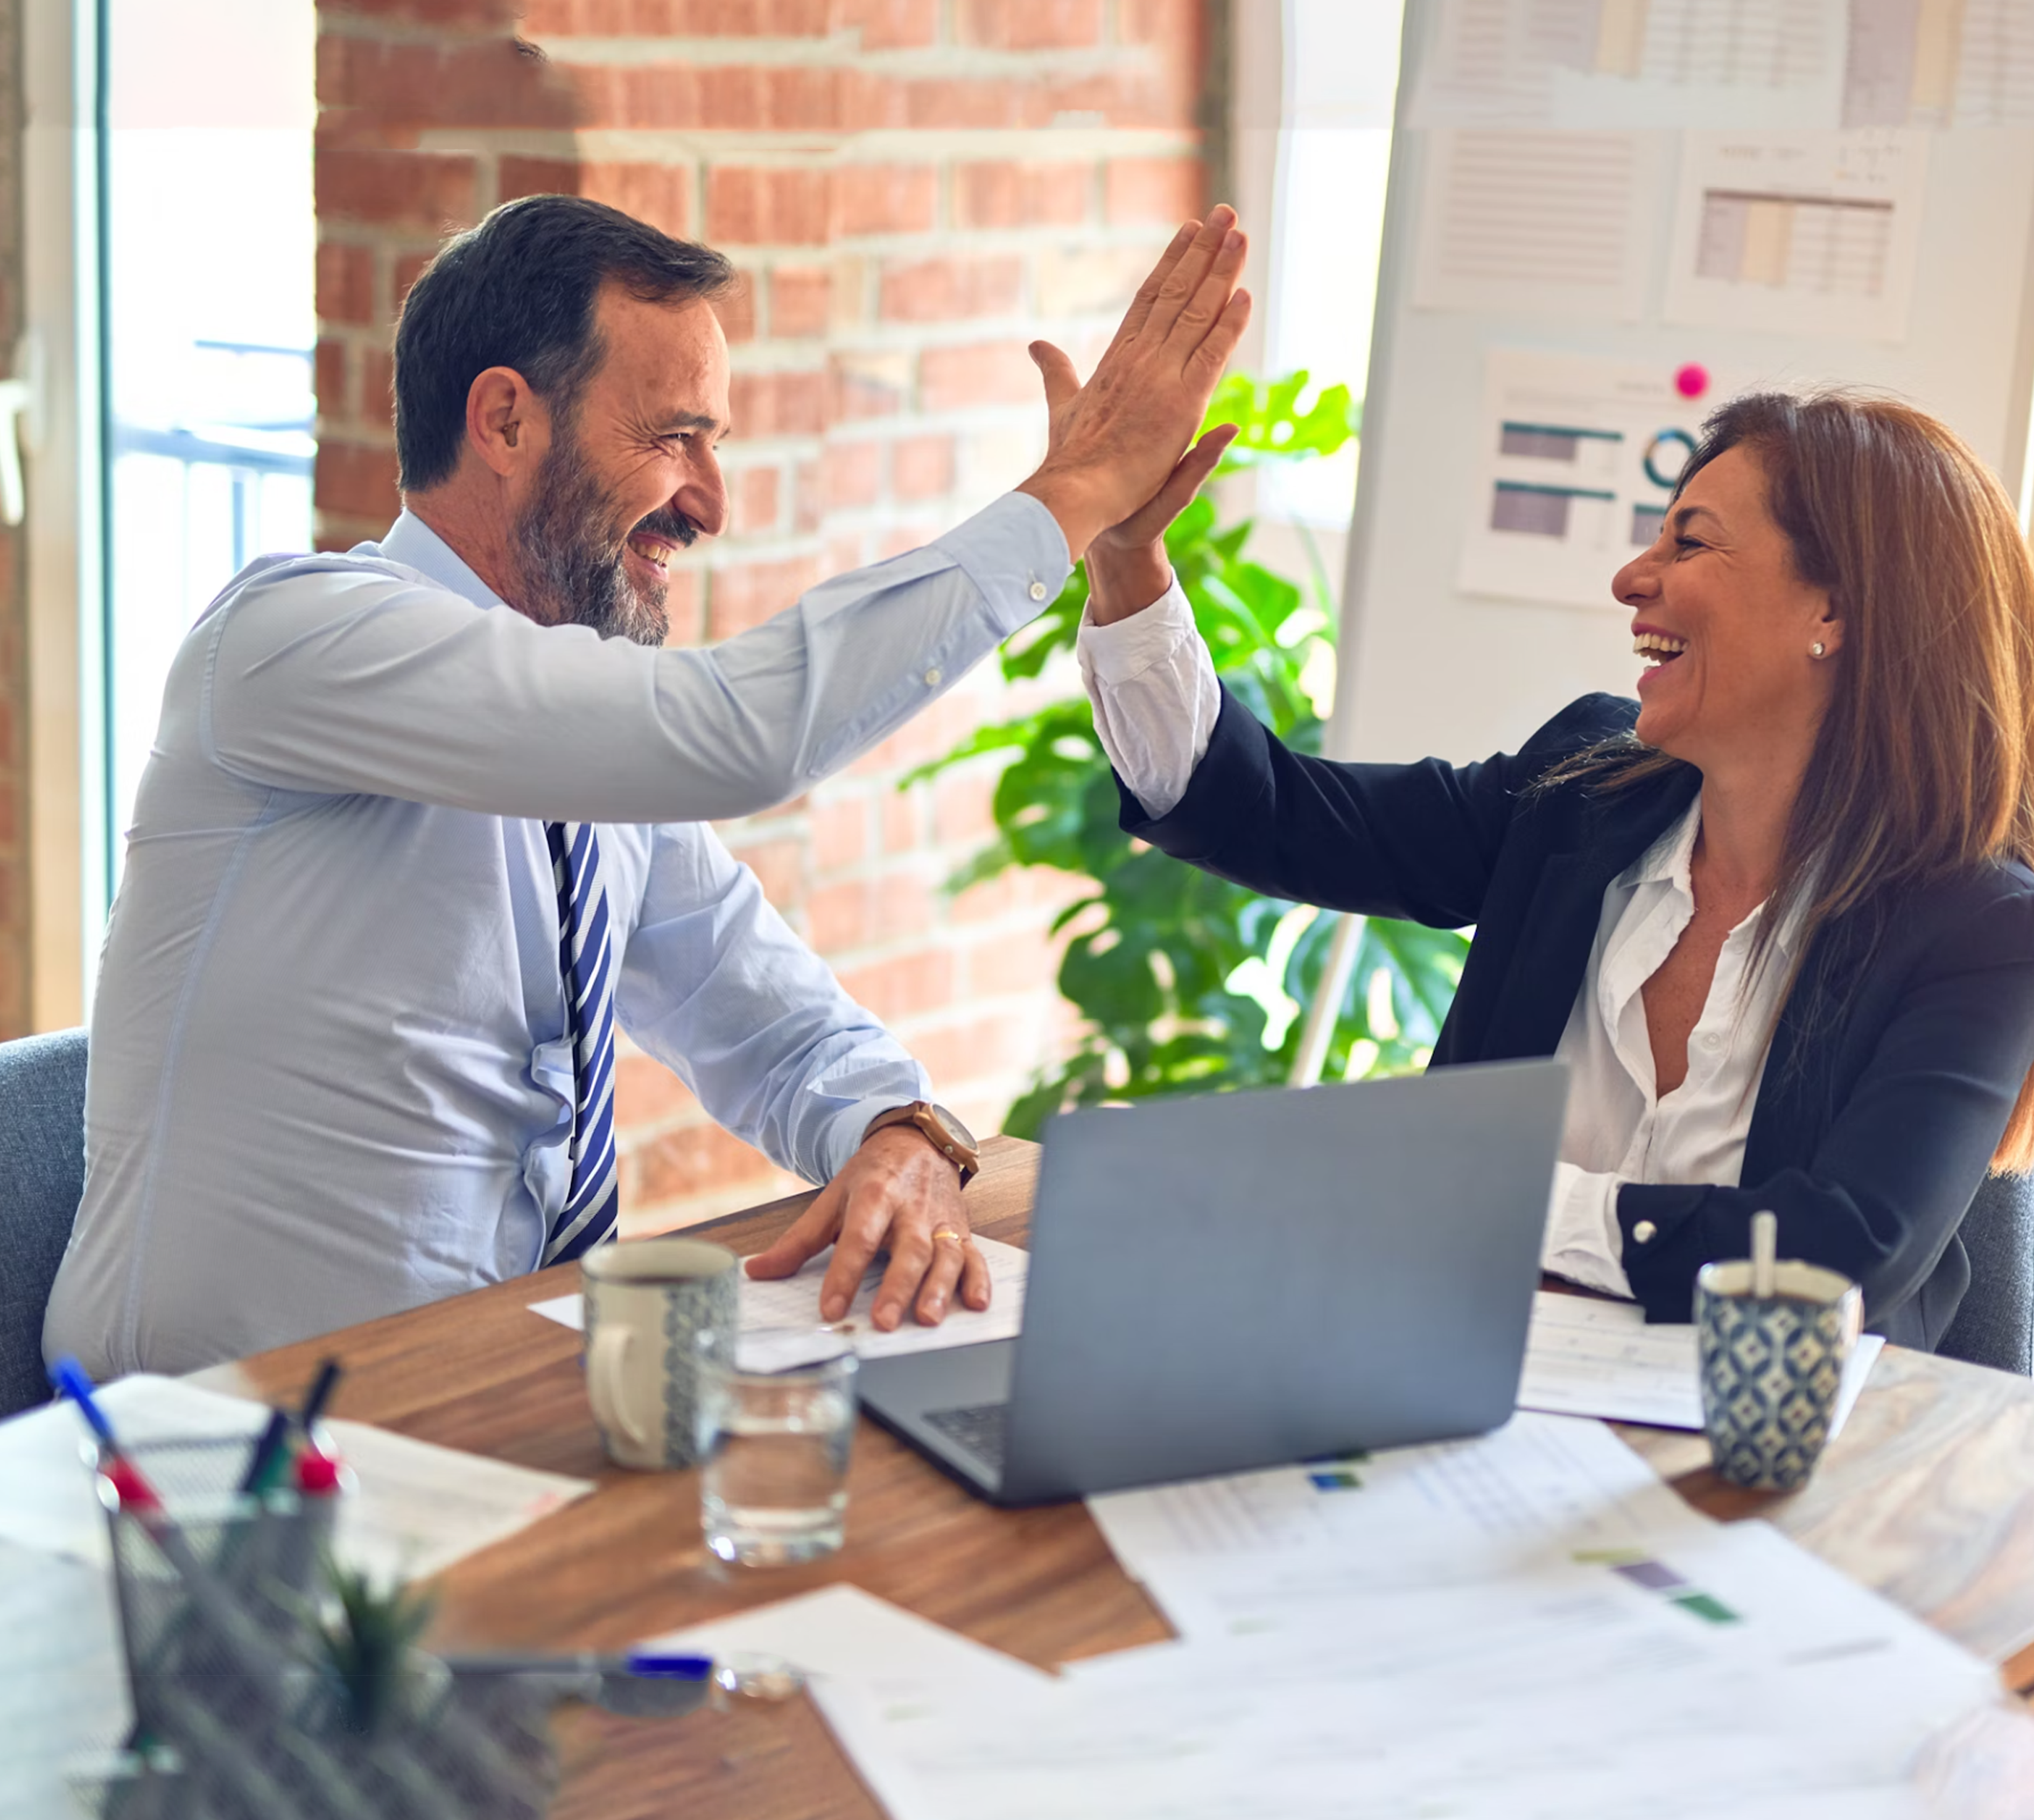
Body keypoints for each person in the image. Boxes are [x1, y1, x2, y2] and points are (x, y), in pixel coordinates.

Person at [47, 193, 1251, 1378]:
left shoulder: (585, 756)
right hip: (206, 1458)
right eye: (676, 436)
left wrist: (900, 1132)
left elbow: (769, 1020)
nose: (711, 503)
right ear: (507, 422)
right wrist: (1077, 492)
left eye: (713, 444)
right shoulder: (295, 640)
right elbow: (740, 735)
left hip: (485, 1409)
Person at [1074, 388, 2034, 1347]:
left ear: (1835, 613)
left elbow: (1835, 1259)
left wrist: (1495, 1197)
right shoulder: (1583, 793)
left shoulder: (1986, 934)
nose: (1632, 579)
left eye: (1689, 542)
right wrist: (1128, 561)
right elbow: (1272, 814)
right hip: (1468, 1393)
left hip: (1785, 1474)